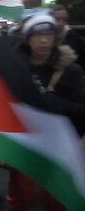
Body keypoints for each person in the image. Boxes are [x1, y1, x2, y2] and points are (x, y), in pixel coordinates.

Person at [8, 14, 85, 211]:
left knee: (56, 197)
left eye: (48, 35)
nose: (43, 40)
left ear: (55, 38)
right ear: (27, 38)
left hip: (59, 146)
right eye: (37, 35)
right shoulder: (14, 68)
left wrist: (57, 103)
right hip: (25, 143)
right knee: (21, 196)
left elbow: (81, 109)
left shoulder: (70, 71)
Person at [51, 4, 85, 70]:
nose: (61, 23)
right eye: (57, 19)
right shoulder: (43, 37)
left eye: (64, 20)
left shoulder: (74, 38)